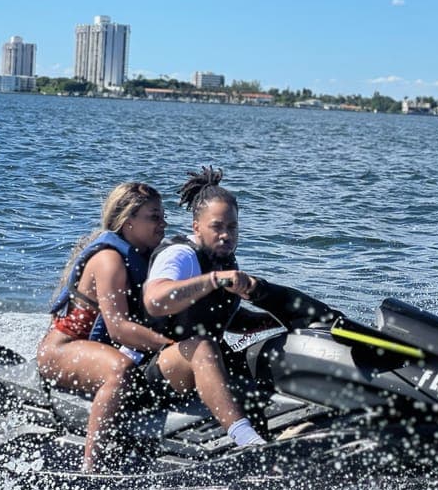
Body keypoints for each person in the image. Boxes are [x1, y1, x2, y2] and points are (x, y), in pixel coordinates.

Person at [143, 166, 340, 447]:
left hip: (200, 362)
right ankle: (246, 440)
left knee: (272, 352)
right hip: (158, 369)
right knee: (204, 347)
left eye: (232, 227)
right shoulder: (180, 255)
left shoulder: (223, 259)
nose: (226, 235)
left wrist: (280, 324)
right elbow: (155, 300)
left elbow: (212, 315)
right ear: (196, 226)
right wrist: (214, 280)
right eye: (217, 227)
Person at [37, 182, 175, 472]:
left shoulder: (148, 256)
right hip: (63, 349)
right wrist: (167, 344)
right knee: (120, 371)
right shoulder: (109, 259)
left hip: (97, 349)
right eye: (154, 217)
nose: (163, 223)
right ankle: (92, 466)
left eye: (163, 216)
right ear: (128, 222)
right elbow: (118, 329)